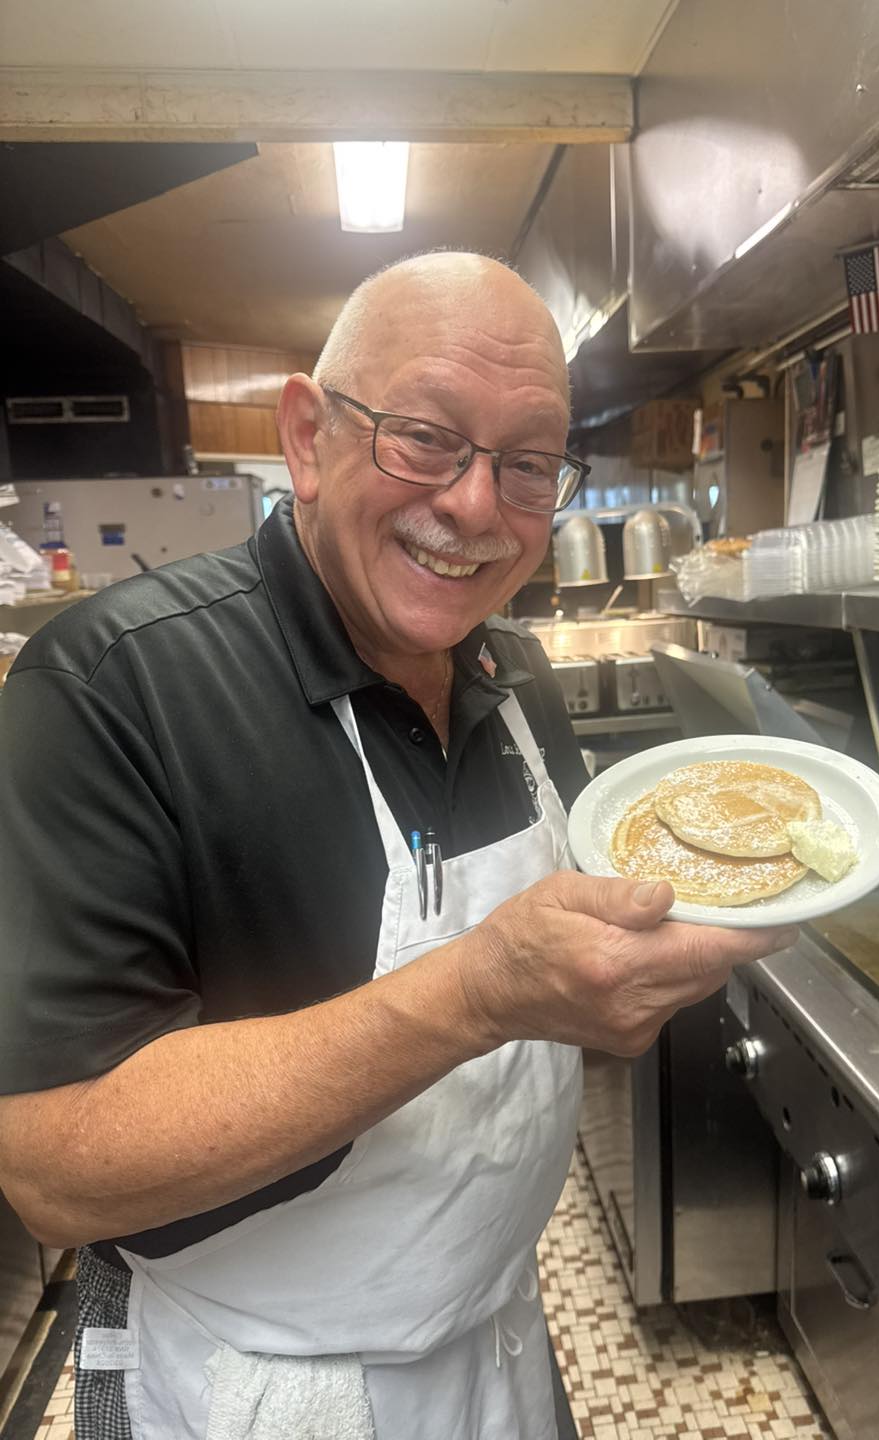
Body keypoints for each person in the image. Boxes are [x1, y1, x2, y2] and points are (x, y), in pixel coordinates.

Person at [0, 252, 794, 1440]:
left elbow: (574, 955)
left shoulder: (510, 668)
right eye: (424, 438)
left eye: (528, 463)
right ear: (306, 438)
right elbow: (56, 1168)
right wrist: (476, 992)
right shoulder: (114, 689)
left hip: (500, 1336)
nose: (475, 506)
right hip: (260, 1388)